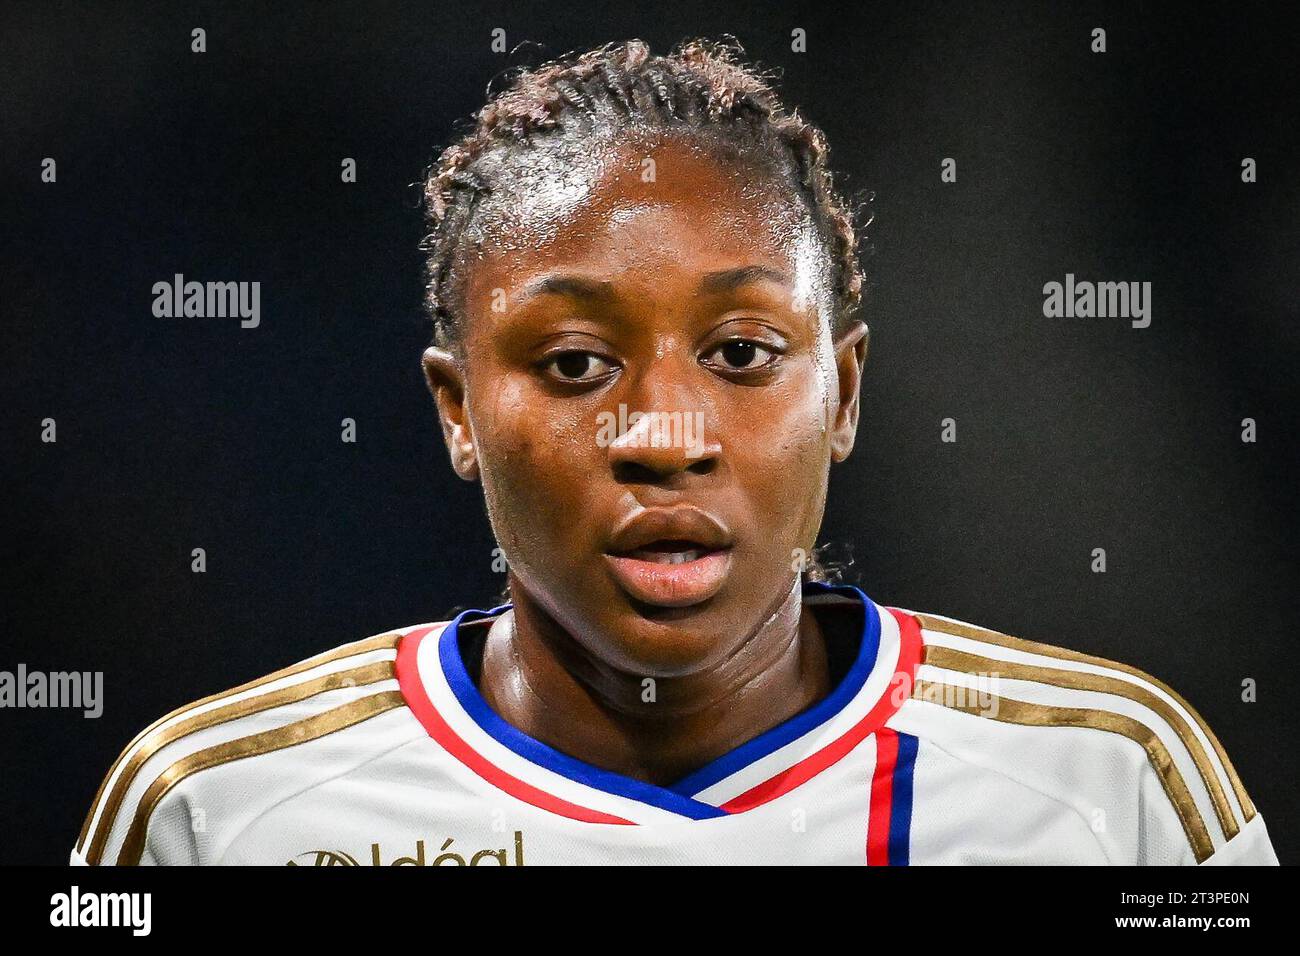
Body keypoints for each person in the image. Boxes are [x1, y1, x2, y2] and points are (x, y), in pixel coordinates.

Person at [74, 39, 1277, 865]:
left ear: (844, 392)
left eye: (744, 354)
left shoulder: (1114, 782)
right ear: (455, 411)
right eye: (576, 364)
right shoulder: (213, 806)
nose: (665, 436)